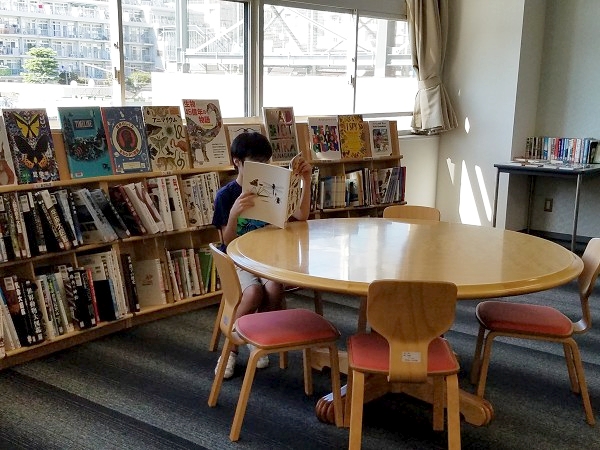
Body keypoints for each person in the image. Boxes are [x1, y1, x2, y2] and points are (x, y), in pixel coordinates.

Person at [212, 131, 313, 379]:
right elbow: (227, 241)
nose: (262, 168)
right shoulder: (226, 195)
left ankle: (255, 337)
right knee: (254, 293)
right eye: (255, 163)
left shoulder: (273, 187)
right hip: (238, 260)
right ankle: (230, 350)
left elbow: (301, 216)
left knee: (275, 287)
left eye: (265, 162)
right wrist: (234, 214)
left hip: (268, 257)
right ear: (237, 162)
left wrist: (306, 181)